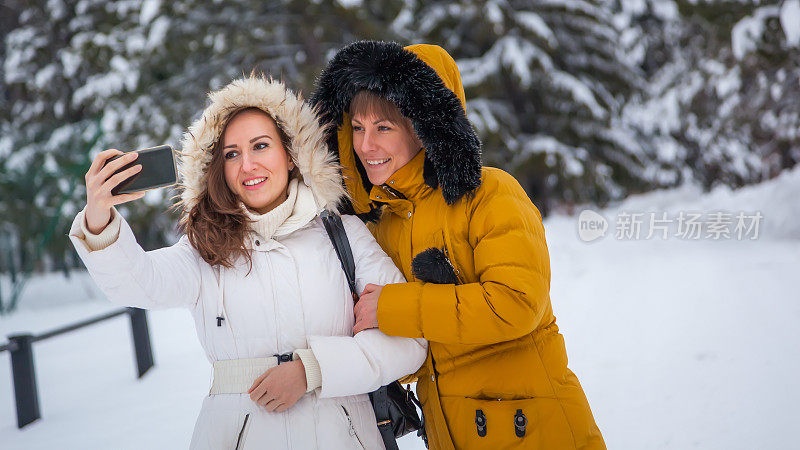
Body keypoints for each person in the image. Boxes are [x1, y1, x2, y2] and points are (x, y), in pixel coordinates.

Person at [68, 75, 427, 449]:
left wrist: (313, 370)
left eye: (260, 146)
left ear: (291, 154)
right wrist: (99, 218)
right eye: (232, 154)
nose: (247, 165)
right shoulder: (205, 248)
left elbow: (408, 338)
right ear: (218, 168)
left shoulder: (344, 235)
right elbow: (136, 283)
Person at [312, 41, 606, 449]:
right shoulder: (382, 224)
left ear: (424, 126)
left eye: (383, 128)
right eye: (358, 128)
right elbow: (413, 350)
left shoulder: (490, 193)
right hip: (450, 433)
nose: (365, 146)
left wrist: (393, 307)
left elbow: (516, 305)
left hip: (534, 429)